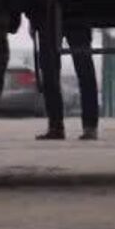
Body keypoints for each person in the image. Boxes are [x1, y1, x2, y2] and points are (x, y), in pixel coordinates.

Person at [34, 11, 99, 141]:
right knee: (84, 71)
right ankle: (90, 126)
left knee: (50, 73)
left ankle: (56, 126)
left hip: (48, 14)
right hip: (77, 12)